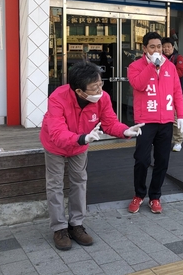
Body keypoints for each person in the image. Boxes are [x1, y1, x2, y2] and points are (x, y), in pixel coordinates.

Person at [40, 61, 144, 251]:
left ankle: (76, 225)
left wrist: (125, 131)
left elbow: (110, 122)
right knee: (54, 185)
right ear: (79, 91)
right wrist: (82, 137)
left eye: (100, 84)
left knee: (79, 182)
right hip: (55, 145)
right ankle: (59, 228)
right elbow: (56, 132)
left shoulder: (102, 98)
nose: (99, 89)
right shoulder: (58, 98)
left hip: (80, 145)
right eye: (94, 87)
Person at [127, 32, 183, 214]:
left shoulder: (170, 67)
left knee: (162, 161)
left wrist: (181, 115)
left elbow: (177, 92)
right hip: (145, 122)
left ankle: (155, 196)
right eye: (152, 47)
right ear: (144, 49)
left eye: (159, 47)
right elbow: (139, 85)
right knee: (142, 160)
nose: (157, 50)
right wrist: (152, 66)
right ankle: (139, 194)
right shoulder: (135, 66)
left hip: (166, 120)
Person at [162, 37, 183, 152]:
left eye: (168, 46)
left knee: (176, 118)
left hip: (175, 94)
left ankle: (178, 142)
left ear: (173, 47)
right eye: (164, 46)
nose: (166, 49)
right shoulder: (159, 58)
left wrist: (164, 71)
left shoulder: (178, 58)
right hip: (161, 93)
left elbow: (180, 72)